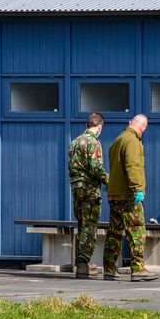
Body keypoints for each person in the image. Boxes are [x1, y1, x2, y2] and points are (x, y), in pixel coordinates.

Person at [103, 114, 157, 282]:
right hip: (128, 195)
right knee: (136, 231)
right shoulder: (133, 141)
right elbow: (133, 166)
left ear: (129, 123)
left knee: (114, 233)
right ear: (144, 128)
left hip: (114, 194)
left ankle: (109, 269)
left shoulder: (117, 140)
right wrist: (138, 189)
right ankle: (138, 269)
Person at [68, 112, 108, 279]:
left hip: (76, 187)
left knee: (81, 224)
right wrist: (109, 180)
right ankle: (83, 264)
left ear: (87, 125)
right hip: (90, 189)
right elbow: (96, 168)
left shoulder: (74, 142)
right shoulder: (94, 142)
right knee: (90, 226)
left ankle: (81, 263)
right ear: (99, 127)